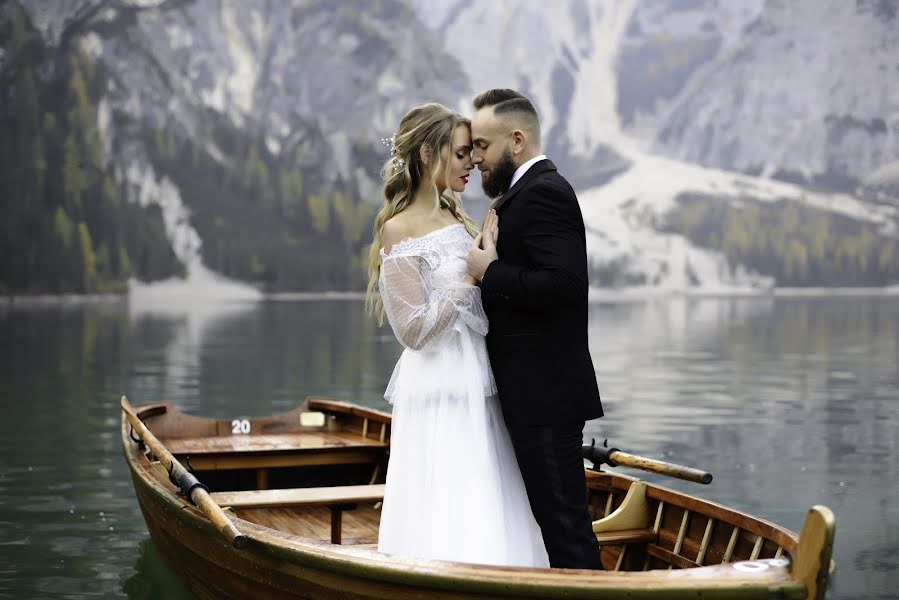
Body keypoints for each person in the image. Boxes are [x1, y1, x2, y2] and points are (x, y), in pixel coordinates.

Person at [365, 102, 549, 567]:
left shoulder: (459, 219)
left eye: (473, 152)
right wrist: (471, 278)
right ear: (430, 154)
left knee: (487, 485)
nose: (473, 163)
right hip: (439, 386)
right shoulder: (398, 229)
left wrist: (491, 261)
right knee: (448, 490)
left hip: (479, 376)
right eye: (462, 153)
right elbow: (413, 332)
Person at [466, 89, 604, 570]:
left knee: (565, 526)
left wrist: (490, 271)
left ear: (517, 140)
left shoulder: (545, 191)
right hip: (533, 394)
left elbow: (565, 284)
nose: (475, 156)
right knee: (556, 521)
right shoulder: (521, 193)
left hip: (545, 395)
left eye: (482, 145)